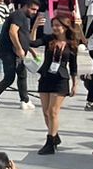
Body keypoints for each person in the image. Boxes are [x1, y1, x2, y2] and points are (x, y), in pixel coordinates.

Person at [0, 0, 40, 110]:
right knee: (9, 77)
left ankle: (25, 100)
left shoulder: (25, 18)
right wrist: (19, 48)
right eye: (33, 9)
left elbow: (23, 37)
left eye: (36, 10)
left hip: (17, 52)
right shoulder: (18, 15)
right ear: (26, 7)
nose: (34, 12)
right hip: (8, 51)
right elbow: (13, 32)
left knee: (22, 74)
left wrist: (30, 50)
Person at [34, 21, 79, 155]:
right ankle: (55, 135)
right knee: (46, 112)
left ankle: (50, 143)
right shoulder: (49, 39)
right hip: (46, 77)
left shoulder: (72, 45)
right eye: (53, 25)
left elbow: (74, 67)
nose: (55, 28)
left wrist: (75, 84)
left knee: (53, 111)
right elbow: (33, 43)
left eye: (58, 25)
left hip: (61, 79)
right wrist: (35, 26)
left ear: (65, 28)